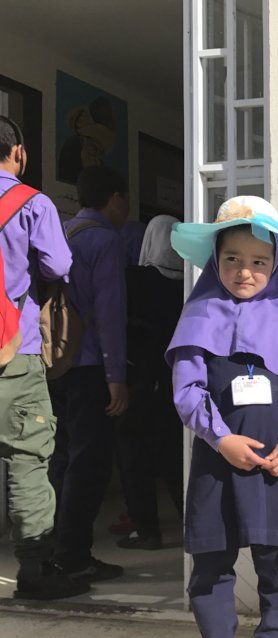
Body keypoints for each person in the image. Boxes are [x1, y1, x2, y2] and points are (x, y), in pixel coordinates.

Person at [167, 195, 278, 638]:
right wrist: (221, 438)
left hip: (275, 467)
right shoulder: (199, 314)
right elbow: (187, 392)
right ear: (215, 260)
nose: (245, 272)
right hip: (216, 463)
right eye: (232, 259)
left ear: (275, 264)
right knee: (211, 561)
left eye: (258, 261)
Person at [0, 116, 87, 600]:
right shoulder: (32, 203)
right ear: (20, 153)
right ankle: (35, 569)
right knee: (27, 458)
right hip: (14, 351)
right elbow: (57, 265)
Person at [48, 165, 130, 582]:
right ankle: (74, 553)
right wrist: (117, 376)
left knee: (60, 457)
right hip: (90, 364)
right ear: (115, 198)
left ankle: (50, 545)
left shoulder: (60, 233)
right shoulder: (105, 241)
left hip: (53, 360)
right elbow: (111, 313)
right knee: (89, 462)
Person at [114, 215, 185, 550]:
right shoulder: (190, 284)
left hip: (137, 378)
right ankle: (191, 521)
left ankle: (147, 530)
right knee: (174, 455)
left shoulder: (135, 279)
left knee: (134, 455)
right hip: (174, 380)